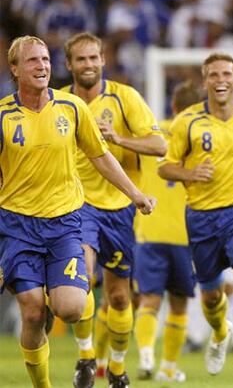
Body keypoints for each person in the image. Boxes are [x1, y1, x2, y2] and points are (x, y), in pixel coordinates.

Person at [0, 36, 155, 388]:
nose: (41, 66)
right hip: (17, 225)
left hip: (65, 222)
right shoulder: (3, 115)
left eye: (44, 60)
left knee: (70, 307)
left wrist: (135, 194)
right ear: (14, 69)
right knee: (33, 309)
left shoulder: (70, 108)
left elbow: (101, 156)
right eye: (32, 61)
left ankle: (100, 358)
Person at [159, 53, 233, 388]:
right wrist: (189, 172)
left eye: (227, 74)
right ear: (205, 81)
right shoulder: (188, 122)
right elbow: (165, 167)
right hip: (202, 218)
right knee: (210, 296)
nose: (221, 80)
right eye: (214, 75)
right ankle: (221, 332)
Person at [63, 32, 166, 388]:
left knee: (120, 296)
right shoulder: (60, 104)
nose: (88, 65)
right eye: (81, 59)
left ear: (103, 60)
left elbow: (159, 144)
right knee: (83, 278)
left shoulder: (125, 98)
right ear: (69, 65)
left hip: (120, 208)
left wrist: (119, 139)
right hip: (77, 206)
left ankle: (117, 368)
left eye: (94, 58)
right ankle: (86, 356)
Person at [133, 80, 200, 383]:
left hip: (148, 229)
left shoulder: (153, 133)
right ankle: (168, 367)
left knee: (149, 300)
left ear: (172, 107)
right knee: (179, 303)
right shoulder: (203, 138)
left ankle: (146, 354)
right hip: (185, 234)